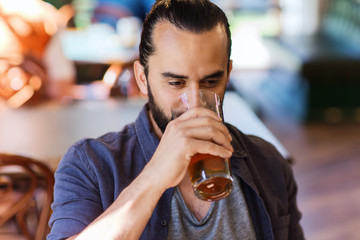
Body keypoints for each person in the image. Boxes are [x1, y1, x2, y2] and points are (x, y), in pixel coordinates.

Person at [48, 0, 304, 239]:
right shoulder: (89, 165)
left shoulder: (269, 163)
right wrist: (155, 176)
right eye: (175, 82)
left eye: (210, 82)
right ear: (142, 79)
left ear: (228, 74)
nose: (193, 102)